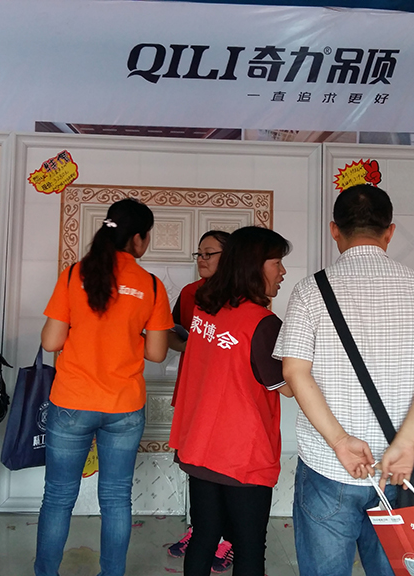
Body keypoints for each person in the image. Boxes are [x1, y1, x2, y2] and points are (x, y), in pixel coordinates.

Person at [273, 184, 414, 576]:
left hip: (328, 466)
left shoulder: (309, 291)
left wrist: (340, 441)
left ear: (334, 230)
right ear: (390, 231)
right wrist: (405, 444)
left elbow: (293, 372)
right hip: (399, 469)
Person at [36, 198, 174, 576]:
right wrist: (127, 334)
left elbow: (50, 341)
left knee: (58, 497)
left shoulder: (73, 275)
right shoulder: (151, 285)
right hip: (124, 405)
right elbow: (157, 353)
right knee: (115, 499)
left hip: (72, 401)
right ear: (138, 238)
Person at [170, 226, 295, 576]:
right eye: (277, 262)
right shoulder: (263, 323)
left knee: (204, 535)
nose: (282, 272)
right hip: (243, 456)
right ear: (255, 266)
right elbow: (287, 387)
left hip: (200, 447)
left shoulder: (206, 311)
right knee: (249, 546)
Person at [166, 229, 234, 570]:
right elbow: (172, 336)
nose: (202, 260)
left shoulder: (244, 295)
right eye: (199, 254)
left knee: (225, 468)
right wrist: (190, 345)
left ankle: (227, 539)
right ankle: (201, 530)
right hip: (194, 390)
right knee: (196, 466)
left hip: (229, 397)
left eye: (210, 254)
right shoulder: (190, 293)